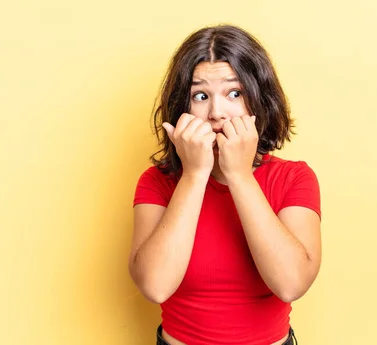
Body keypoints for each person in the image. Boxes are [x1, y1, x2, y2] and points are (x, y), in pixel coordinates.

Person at [129, 24, 322, 345]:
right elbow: (155, 286)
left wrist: (240, 176)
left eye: (235, 93)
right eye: (201, 96)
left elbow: (291, 285)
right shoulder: (157, 183)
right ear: (182, 107)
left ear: (259, 101)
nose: (217, 113)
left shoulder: (294, 178)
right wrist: (193, 175)